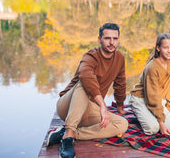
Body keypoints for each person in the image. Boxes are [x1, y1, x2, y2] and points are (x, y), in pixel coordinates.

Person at [46, 23, 129, 158]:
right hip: (67, 106)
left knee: (122, 124)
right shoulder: (90, 56)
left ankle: (69, 134)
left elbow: (120, 83)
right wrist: (103, 105)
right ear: (99, 39)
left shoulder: (119, 58)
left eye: (115, 39)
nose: (111, 42)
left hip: (89, 109)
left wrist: (120, 106)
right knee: (84, 84)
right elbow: (85, 76)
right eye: (107, 38)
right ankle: (68, 138)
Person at [129, 33, 170, 135]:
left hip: (157, 98)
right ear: (158, 48)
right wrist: (160, 121)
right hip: (141, 98)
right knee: (153, 129)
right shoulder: (152, 68)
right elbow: (152, 95)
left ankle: (154, 114)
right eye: (165, 47)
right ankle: (138, 110)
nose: (169, 51)